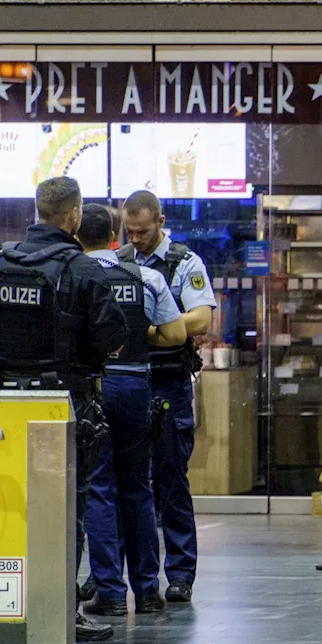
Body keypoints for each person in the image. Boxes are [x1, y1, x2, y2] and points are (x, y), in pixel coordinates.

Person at [0, 177, 128, 642]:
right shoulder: (81, 270)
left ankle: (9, 601)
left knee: (10, 505)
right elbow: (112, 338)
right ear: (73, 215)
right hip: (64, 403)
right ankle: (63, 608)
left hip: (5, 403)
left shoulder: (1, 264)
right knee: (68, 508)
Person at [77, 204, 187, 618]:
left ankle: (108, 590)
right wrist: (142, 335)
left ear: (75, 235)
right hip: (136, 385)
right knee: (139, 488)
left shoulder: (74, 274)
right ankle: (147, 591)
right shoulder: (145, 276)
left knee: (101, 488)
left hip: (95, 386)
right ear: (114, 236)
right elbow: (177, 334)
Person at [120, 189, 216, 603]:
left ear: (160, 221)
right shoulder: (118, 261)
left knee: (172, 480)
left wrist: (159, 324)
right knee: (127, 482)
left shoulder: (183, 262)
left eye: (142, 231)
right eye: (130, 231)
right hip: (127, 380)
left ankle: (180, 573)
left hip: (167, 383)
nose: (136, 239)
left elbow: (202, 319)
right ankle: (123, 572)